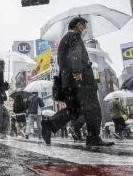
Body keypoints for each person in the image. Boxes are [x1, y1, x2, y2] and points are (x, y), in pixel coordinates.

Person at [41, 17, 115, 146]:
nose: (85, 29)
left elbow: (61, 62)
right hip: (81, 80)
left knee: (74, 109)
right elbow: (76, 53)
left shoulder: (64, 40)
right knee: (92, 106)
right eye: (84, 26)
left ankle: (50, 124)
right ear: (78, 25)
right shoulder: (75, 36)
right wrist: (77, 71)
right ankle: (93, 137)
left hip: (68, 81)